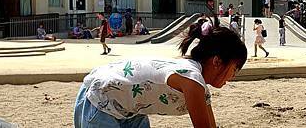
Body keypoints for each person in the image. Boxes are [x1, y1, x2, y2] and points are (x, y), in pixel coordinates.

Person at [73, 26, 247, 127]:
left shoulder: (200, 89)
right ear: (217, 61)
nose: (233, 76)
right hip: (100, 98)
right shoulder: (191, 79)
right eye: (235, 69)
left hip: (132, 111)